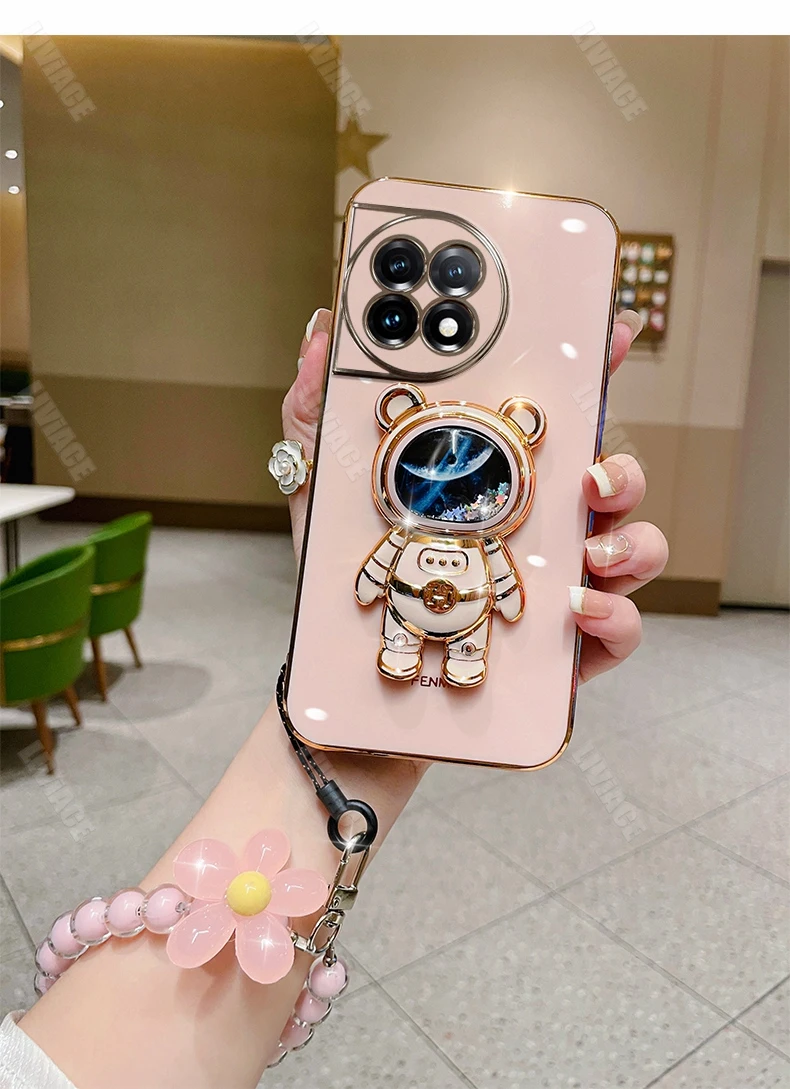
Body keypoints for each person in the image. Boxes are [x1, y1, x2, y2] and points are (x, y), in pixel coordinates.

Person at [0, 308, 667, 1089]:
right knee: (406, 640)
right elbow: (373, 575)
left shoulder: (483, 543)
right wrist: (345, 682)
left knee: (469, 638)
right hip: (406, 620)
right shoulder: (403, 529)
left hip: (457, 621)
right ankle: (406, 654)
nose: (452, 483)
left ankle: (440, 658)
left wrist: (365, 739)